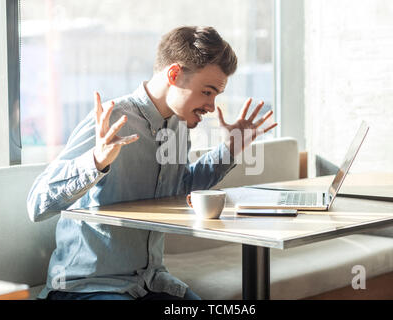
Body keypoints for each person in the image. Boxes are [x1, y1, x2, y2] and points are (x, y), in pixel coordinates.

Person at [27, 26, 277, 300]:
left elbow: (180, 190)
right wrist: (96, 162)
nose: (211, 106)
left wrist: (230, 149)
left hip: (150, 282)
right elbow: (36, 204)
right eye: (207, 92)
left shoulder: (178, 127)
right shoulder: (114, 119)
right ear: (174, 75)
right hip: (88, 286)